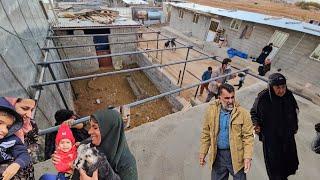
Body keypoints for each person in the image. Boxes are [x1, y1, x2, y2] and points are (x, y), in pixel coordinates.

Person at [48, 108, 137, 180]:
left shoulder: (127, 164)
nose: (89, 132)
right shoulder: (87, 145)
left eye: (95, 127)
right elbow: (75, 166)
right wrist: (61, 157)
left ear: (109, 130)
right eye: (90, 127)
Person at [200, 84, 254, 180]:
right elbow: (206, 133)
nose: (230, 101)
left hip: (236, 156)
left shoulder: (243, 114)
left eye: (232, 97)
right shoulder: (211, 111)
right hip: (218, 156)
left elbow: (248, 137)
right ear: (219, 98)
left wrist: (247, 157)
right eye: (227, 98)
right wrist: (203, 153)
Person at [250, 73, 299, 180]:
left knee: (287, 163)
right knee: (275, 167)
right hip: (271, 139)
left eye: (283, 87)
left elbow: (295, 110)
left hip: (287, 137)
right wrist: (256, 124)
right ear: (271, 87)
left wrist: (294, 126)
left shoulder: (289, 95)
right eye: (278, 87)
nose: (281, 90)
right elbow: (254, 113)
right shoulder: (263, 98)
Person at [4, 97, 37, 179]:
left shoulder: (31, 124)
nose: (29, 115)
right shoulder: (3, 130)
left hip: (26, 169)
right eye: (25, 108)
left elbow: (36, 143)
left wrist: (28, 151)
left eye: (31, 110)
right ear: (11, 105)